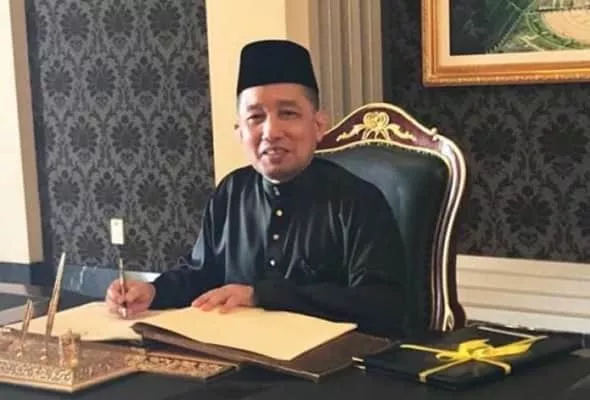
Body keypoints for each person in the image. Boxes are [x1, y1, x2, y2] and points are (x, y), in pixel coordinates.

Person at [105, 39, 407, 337]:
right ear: (240, 131)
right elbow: (201, 274)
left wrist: (262, 295)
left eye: (288, 114)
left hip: (329, 363)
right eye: (255, 117)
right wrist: (152, 291)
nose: (271, 132)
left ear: (318, 125)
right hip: (237, 357)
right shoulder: (231, 191)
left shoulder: (358, 200)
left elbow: (382, 305)